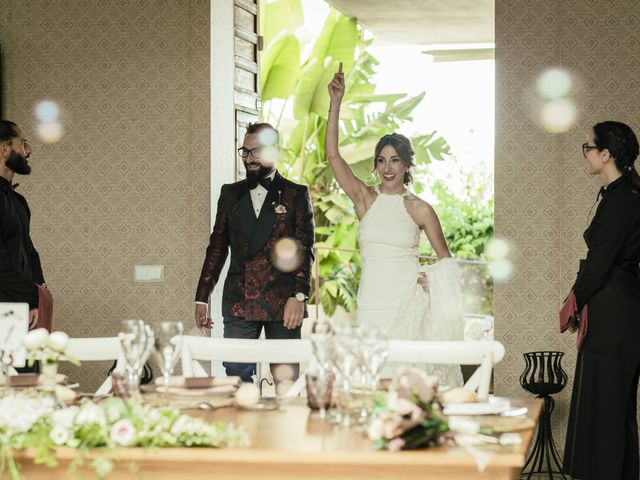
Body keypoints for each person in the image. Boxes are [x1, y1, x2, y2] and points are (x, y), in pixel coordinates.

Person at [325, 65, 463, 386]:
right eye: (381, 160)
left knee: (405, 383)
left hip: (406, 306)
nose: (387, 167)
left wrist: (430, 280)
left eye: (395, 160)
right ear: (376, 165)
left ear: (406, 165)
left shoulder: (420, 209)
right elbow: (333, 156)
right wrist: (336, 103)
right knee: (372, 383)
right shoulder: (365, 199)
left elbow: (447, 262)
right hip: (372, 304)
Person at [194, 122, 314, 387]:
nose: (249, 159)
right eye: (245, 152)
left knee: (286, 379)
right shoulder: (230, 194)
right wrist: (202, 298)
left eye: (255, 152)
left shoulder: (296, 194)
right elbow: (217, 247)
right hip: (239, 300)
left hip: (284, 302)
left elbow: (304, 250)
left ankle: (283, 427)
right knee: (236, 375)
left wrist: (299, 296)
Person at [563, 121, 640, 480]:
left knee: (606, 406)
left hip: (613, 314)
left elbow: (599, 263)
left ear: (605, 154)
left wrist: (573, 300)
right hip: (619, 309)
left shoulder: (622, 199)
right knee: (614, 406)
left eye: (588, 147)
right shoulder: (623, 194)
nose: (586, 153)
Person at [0, 120, 50, 332]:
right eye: (23, 143)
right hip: (6, 309)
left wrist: (39, 294)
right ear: (5, 149)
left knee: (30, 365)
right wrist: (31, 297)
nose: (29, 150)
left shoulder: (18, 201)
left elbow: (28, 252)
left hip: (19, 310)